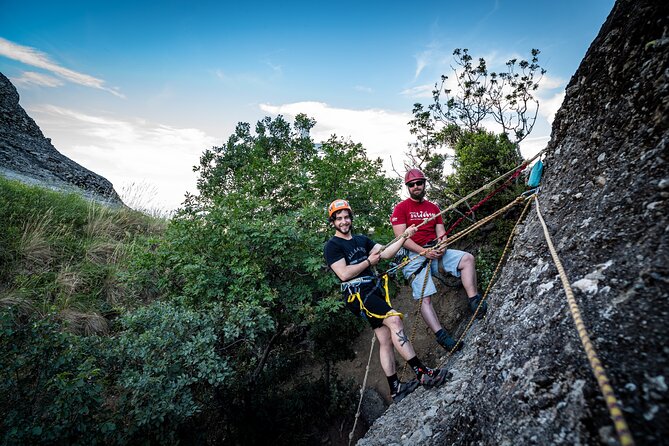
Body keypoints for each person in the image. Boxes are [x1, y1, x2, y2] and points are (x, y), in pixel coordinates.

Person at [324, 199, 449, 403]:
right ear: (333, 222)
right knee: (395, 321)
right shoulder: (333, 246)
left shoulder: (362, 240)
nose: (344, 222)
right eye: (339, 219)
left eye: (347, 217)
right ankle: (422, 373)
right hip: (358, 294)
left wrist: (404, 236)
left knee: (384, 338)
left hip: (371, 289)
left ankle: (395, 388)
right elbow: (344, 274)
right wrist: (367, 262)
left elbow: (387, 252)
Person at [391, 168, 487, 352]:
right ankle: (442, 337)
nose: (416, 186)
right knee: (424, 299)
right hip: (414, 256)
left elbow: (441, 232)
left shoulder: (433, 208)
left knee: (467, 259)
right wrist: (424, 252)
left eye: (419, 183)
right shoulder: (401, 208)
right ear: (408, 187)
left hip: (435, 250)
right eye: (412, 184)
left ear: (424, 184)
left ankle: (474, 301)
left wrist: (442, 245)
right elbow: (401, 238)